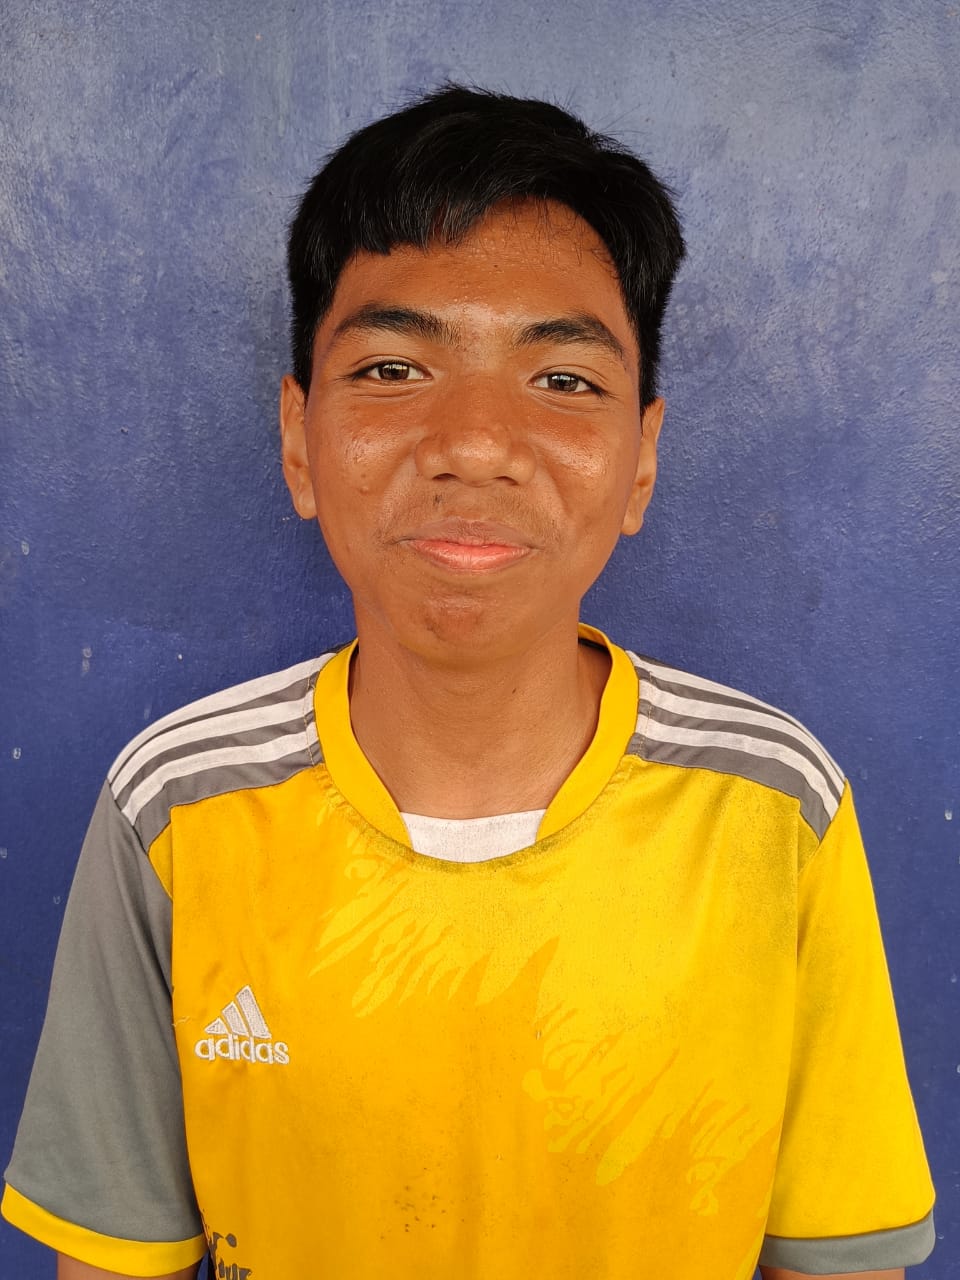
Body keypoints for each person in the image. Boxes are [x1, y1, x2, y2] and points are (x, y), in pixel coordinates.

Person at [2, 85, 935, 1280]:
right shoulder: (179, 803)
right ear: (298, 441)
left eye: (564, 381)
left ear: (642, 463)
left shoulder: (769, 804)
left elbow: (842, 1262)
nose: (477, 442)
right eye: (394, 367)